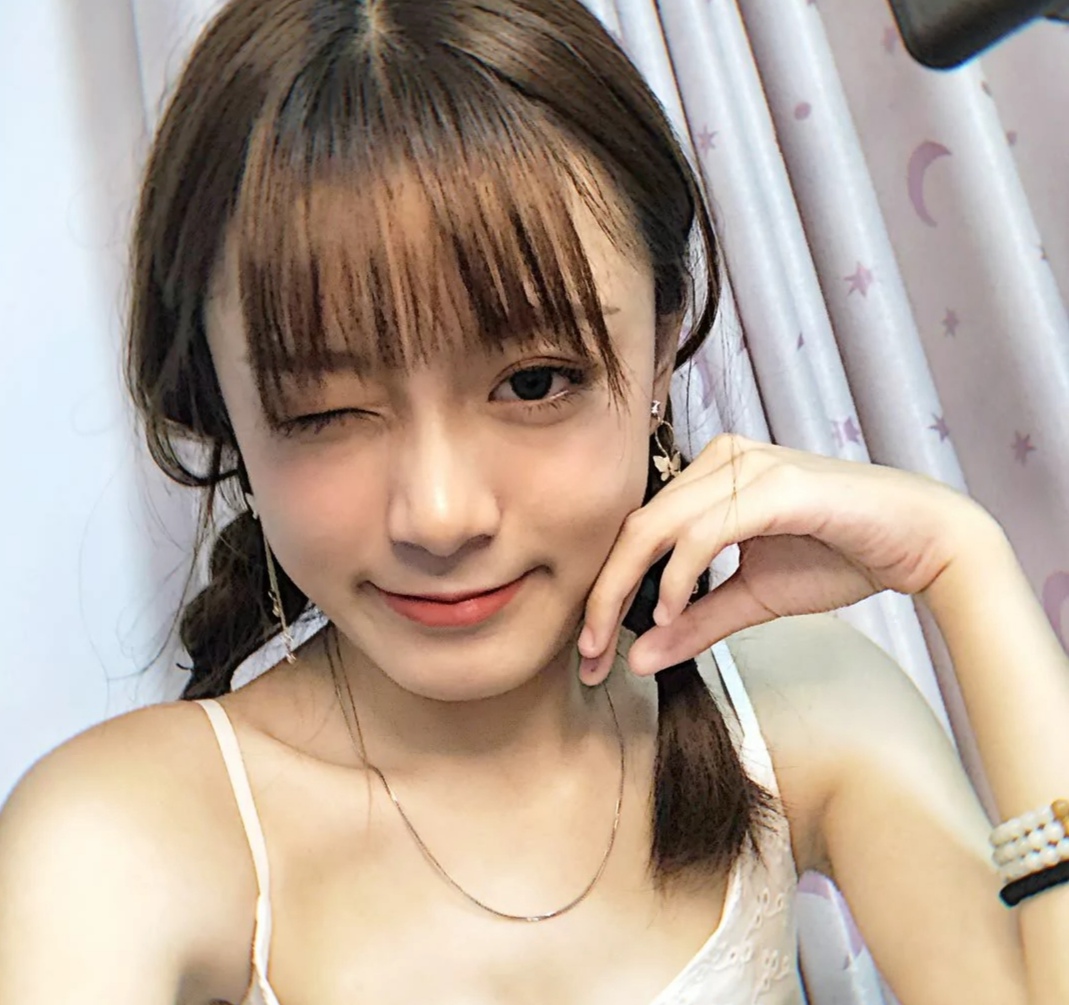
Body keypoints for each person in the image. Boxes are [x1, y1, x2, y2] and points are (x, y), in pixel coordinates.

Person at [1, 0, 1067, 1002]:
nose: (438, 514)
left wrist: (961, 564)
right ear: (226, 407)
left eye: (533, 382)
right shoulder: (121, 839)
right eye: (324, 410)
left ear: (659, 349)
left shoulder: (795, 710)